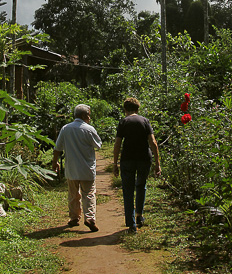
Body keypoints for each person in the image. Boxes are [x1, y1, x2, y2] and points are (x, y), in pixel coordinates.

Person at [113, 97, 161, 233]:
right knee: (141, 185)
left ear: (125, 109)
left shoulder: (123, 122)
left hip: (127, 159)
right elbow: (153, 142)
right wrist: (157, 163)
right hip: (144, 159)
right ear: (138, 109)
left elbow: (117, 144)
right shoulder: (145, 121)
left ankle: (131, 224)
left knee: (128, 191)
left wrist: (115, 163)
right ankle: (139, 215)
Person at [52, 104, 102, 232]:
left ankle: (74, 217)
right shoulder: (89, 129)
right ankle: (89, 217)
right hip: (87, 168)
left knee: (73, 194)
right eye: (89, 115)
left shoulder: (65, 129)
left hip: (72, 168)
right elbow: (98, 145)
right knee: (89, 193)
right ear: (85, 115)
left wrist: (55, 162)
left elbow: (57, 148)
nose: (90, 117)